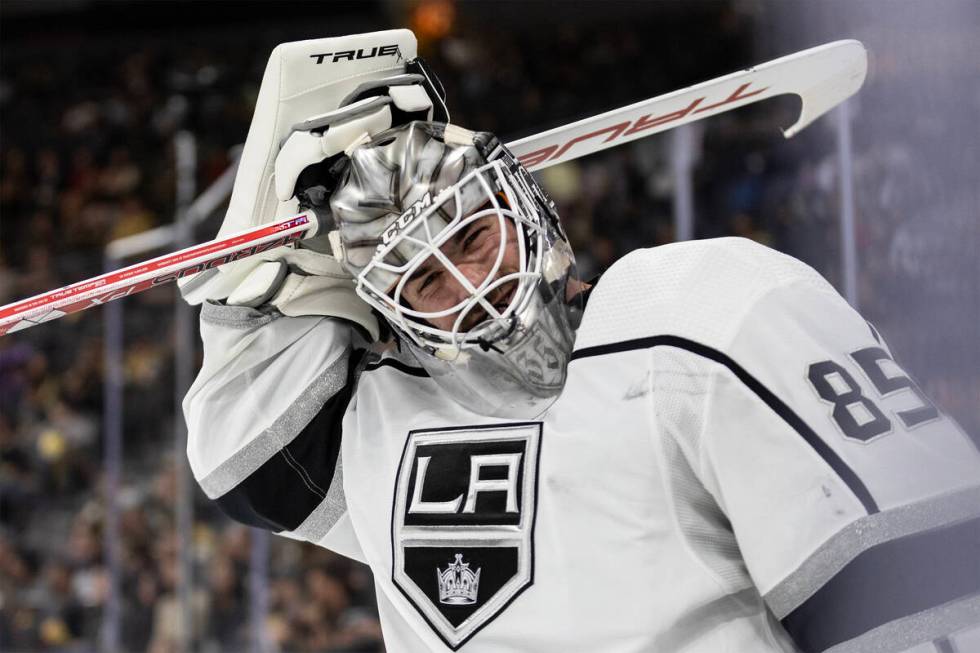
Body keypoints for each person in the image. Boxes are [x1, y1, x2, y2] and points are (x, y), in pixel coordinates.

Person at [183, 32, 980, 653]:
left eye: (469, 238)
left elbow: (923, 599)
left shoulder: (701, 312)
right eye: (423, 280)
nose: (470, 284)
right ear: (390, 312)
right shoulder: (386, 421)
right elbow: (241, 451)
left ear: (528, 206)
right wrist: (267, 250)